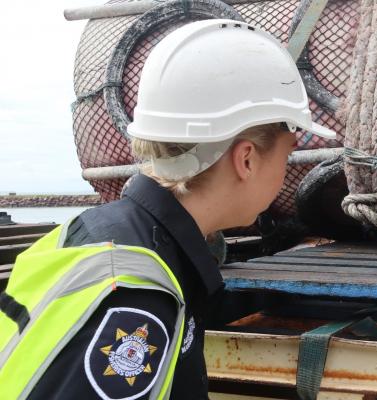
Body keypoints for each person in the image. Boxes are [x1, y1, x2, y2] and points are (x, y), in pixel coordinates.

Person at [0, 19, 336, 399]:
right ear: (246, 160)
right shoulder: (134, 296)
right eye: (287, 152)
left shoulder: (99, 232)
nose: (286, 169)